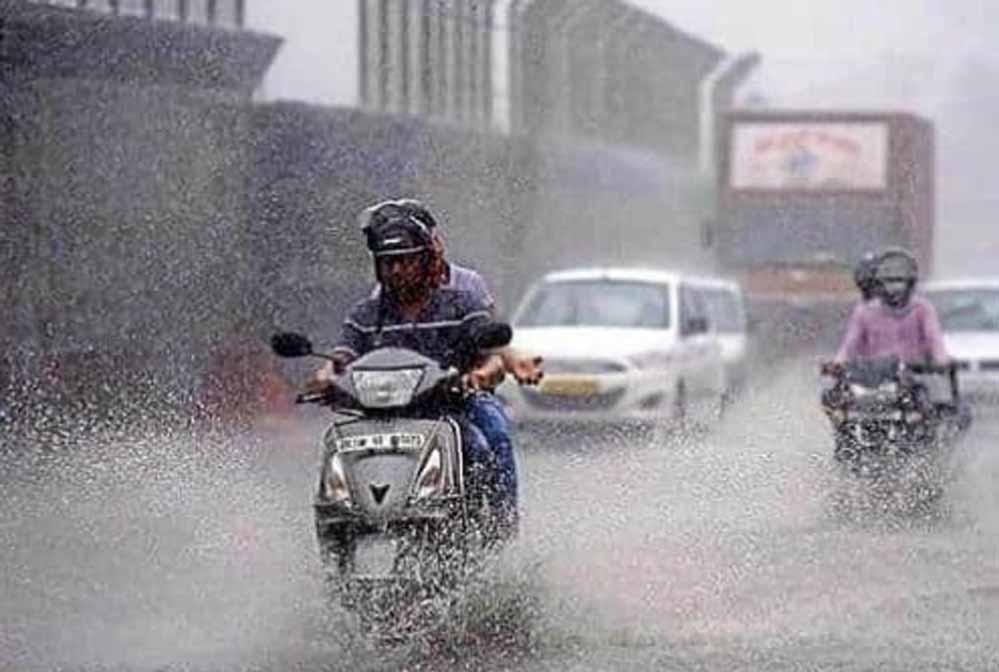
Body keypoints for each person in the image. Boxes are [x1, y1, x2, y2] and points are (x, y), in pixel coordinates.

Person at [312, 200, 517, 537]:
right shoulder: (365, 315)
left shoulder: (463, 304)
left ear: (425, 260)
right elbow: (341, 358)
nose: (396, 270)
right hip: (381, 414)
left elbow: (493, 357)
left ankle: (497, 525)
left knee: (488, 438)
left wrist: (480, 376)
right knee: (337, 445)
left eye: (405, 261)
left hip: (454, 408)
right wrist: (324, 379)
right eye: (388, 262)